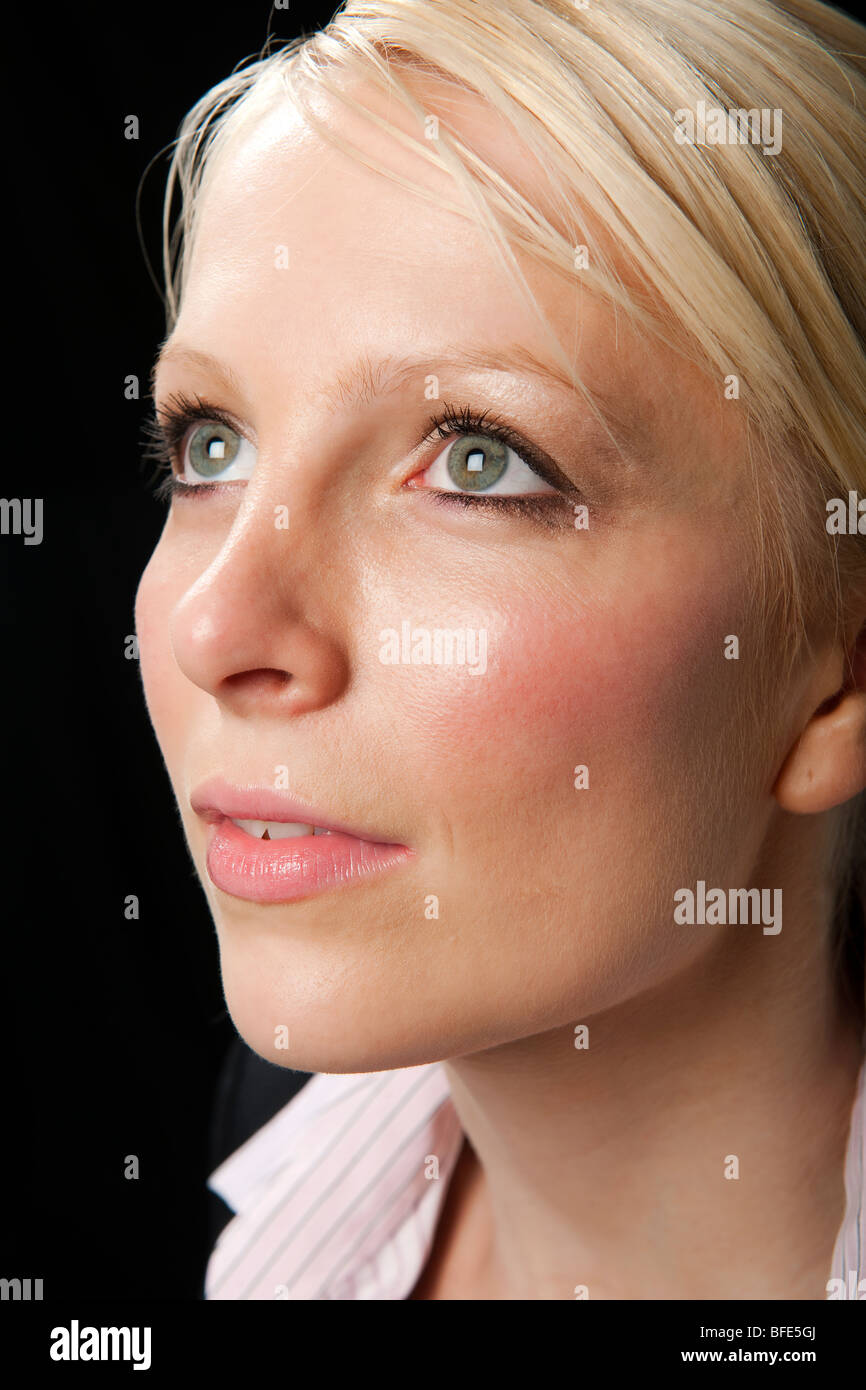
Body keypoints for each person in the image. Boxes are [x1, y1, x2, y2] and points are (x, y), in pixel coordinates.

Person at [135, 0, 866, 1299]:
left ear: (840, 672)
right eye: (210, 444)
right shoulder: (280, 1175)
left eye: (479, 462)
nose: (212, 629)